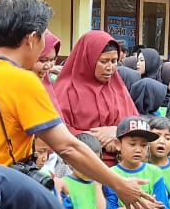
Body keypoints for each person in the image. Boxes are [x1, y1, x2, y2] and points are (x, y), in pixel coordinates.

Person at [0, 0, 153, 209]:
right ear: (32, 39)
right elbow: (68, 147)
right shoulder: (22, 80)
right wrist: (120, 184)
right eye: (44, 35)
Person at [52, 30, 140, 167]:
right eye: (104, 61)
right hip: (80, 166)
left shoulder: (118, 88)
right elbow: (55, 131)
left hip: (122, 167)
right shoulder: (65, 89)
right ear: (88, 60)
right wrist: (93, 138)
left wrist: (118, 133)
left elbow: (136, 123)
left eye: (114, 61)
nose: (110, 67)